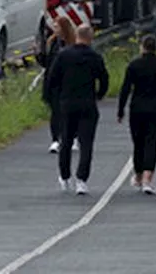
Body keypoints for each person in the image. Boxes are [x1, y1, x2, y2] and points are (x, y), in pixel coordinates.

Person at [43, 23, 110, 196]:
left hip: (67, 104)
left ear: (77, 35)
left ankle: (65, 177)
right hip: (87, 104)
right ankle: (82, 179)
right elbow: (104, 79)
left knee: (66, 141)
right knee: (86, 143)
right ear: (90, 38)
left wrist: (55, 99)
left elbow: (52, 78)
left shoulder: (64, 55)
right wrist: (99, 95)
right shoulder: (95, 57)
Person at [117, 34, 156, 195]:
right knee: (151, 143)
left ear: (142, 47)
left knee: (138, 143)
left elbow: (125, 88)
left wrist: (120, 110)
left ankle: (138, 175)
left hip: (137, 108)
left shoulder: (134, 65)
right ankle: (147, 179)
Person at [38, 16, 77, 154]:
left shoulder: (72, 44)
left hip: (68, 83)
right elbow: (46, 63)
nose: (55, 29)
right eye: (54, 26)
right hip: (53, 83)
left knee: (69, 112)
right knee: (55, 112)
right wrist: (39, 54)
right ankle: (55, 140)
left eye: (57, 26)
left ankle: (72, 137)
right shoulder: (52, 42)